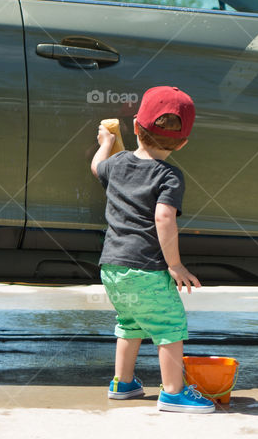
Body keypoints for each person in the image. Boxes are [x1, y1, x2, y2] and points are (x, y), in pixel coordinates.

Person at [90, 85, 214, 413]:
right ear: (184, 142)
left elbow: (95, 167)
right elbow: (163, 216)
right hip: (146, 268)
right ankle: (173, 393)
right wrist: (175, 265)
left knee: (129, 323)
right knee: (168, 325)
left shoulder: (115, 164)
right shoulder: (169, 175)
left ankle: (123, 383)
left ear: (134, 127)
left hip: (112, 267)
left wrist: (105, 143)